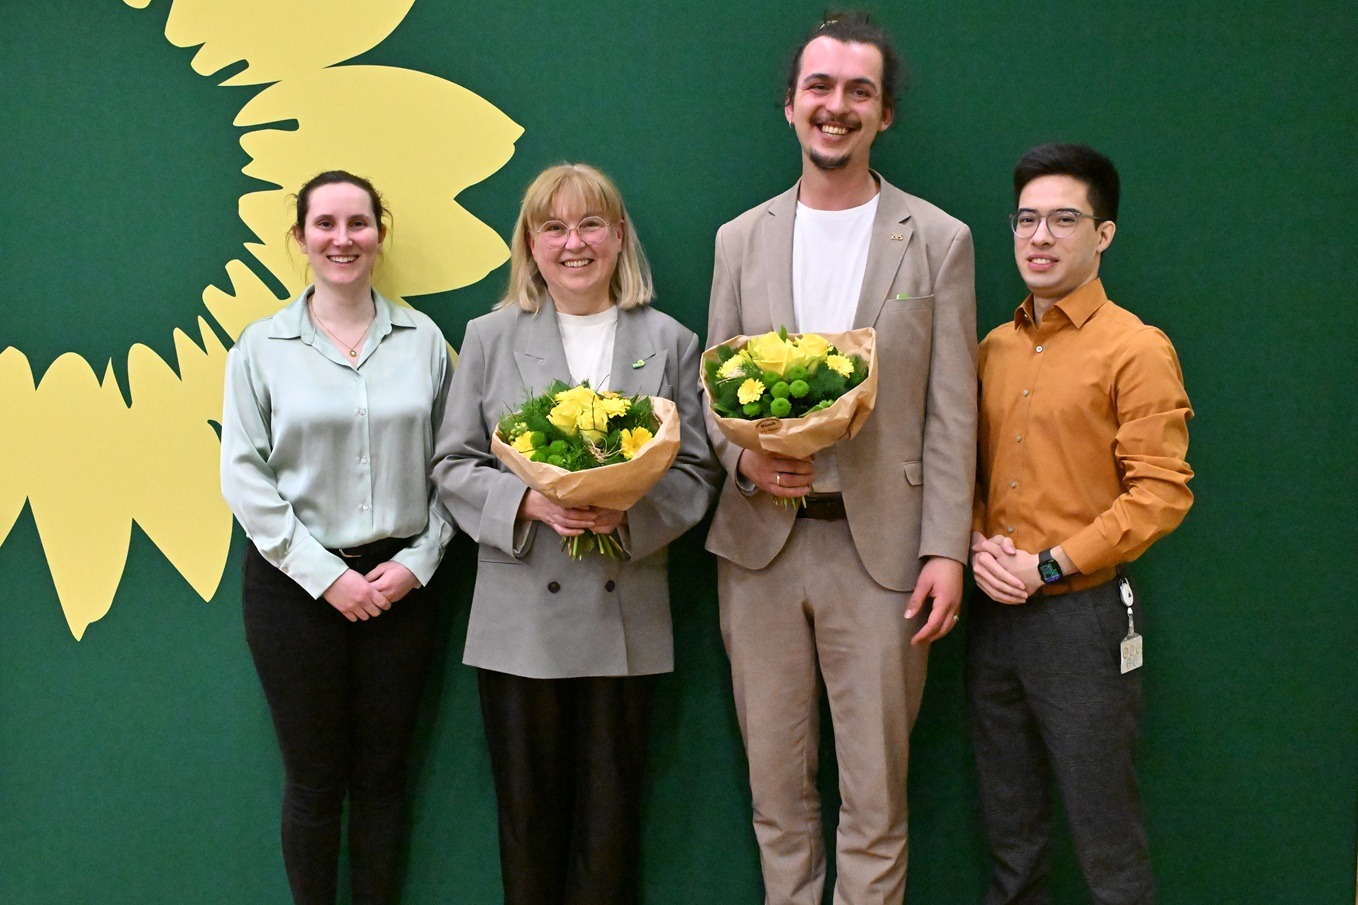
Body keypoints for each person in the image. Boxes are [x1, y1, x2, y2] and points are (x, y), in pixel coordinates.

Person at [703, 11, 977, 905]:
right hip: (761, 548)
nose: (837, 106)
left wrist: (946, 550)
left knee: (876, 797)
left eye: (860, 91)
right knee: (777, 794)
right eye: (820, 87)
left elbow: (951, 411)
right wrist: (745, 467)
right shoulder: (738, 239)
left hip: (887, 557)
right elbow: (712, 390)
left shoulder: (938, 238)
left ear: (885, 114)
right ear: (790, 105)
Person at [432, 163, 720, 905]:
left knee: (611, 831)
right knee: (528, 831)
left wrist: (629, 516)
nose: (574, 243)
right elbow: (452, 463)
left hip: (624, 617)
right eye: (553, 227)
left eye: (591, 224)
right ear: (529, 244)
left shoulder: (670, 339)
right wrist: (529, 505)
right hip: (519, 617)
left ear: (619, 237)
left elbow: (695, 472)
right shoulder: (490, 337)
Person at [220, 170, 454, 905]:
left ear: (380, 234)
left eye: (358, 222)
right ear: (299, 238)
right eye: (324, 224)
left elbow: (455, 465)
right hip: (294, 591)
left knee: (384, 783)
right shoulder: (260, 347)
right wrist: (326, 576)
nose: (342, 238)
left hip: (402, 591)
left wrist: (417, 562)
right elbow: (244, 475)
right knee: (315, 784)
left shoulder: (424, 342)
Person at [968, 143, 1194, 905]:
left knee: (1108, 846)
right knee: (1011, 840)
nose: (1040, 236)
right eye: (1027, 219)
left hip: (1083, 622)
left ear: (1103, 235)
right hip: (993, 619)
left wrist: (1052, 564)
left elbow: (1161, 492)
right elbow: (960, 467)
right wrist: (976, 542)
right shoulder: (993, 349)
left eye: (1064, 219)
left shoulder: (1135, 347)